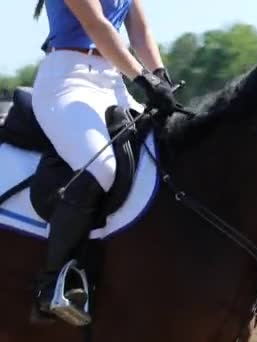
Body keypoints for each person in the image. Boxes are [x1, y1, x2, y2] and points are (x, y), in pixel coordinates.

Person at [31, 0, 178, 321]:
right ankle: (52, 284)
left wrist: (159, 76)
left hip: (113, 82)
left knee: (170, 150)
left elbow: (140, 30)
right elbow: (96, 25)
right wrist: (143, 79)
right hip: (67, 81)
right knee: (101, 167)